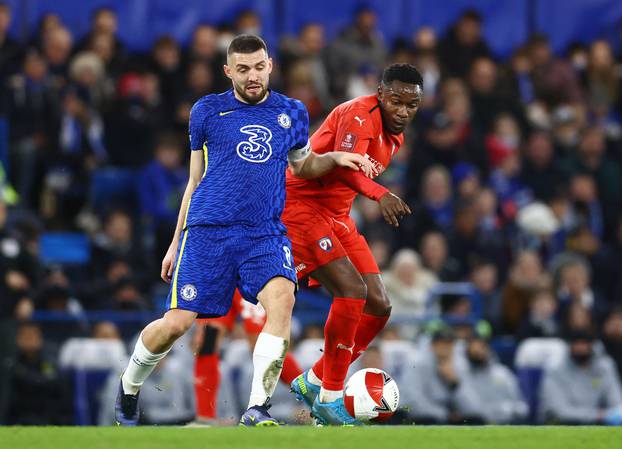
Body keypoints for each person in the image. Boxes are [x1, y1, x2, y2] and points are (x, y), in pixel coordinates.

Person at [114, 34, 373, 427]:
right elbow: (194, 180)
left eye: (258, 67)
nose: (252, 76)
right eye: (242, 69)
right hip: (208, 233)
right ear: (228, 71)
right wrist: (174, 242)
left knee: (282, 299)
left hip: (263, 234)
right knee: (177, 324)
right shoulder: (206, 111)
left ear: (270, 65)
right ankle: (129, 385)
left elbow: (302, 165)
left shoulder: (293, 112)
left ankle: (257, 408)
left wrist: (336, 157)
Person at [285, 63, 422, 425]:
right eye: (396, 101)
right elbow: (345, 167)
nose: (403, 111)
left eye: (412, 106)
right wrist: (381, 195)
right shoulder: (359, 116)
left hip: (337, 216)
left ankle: (313, 379)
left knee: (379, 305)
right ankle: (330, 397)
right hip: (301, 206)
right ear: (380, 94)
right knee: (351, 291)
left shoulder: (396, 136)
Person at [193, 289, 302, 422]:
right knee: (207, 340)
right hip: (217, 274)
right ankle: (205, 418)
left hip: (245, 273)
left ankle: (314, 397)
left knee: (263, 341)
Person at [540, 328, 622, 425]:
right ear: (569, 346)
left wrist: (611, 414)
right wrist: (599, 415)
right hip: (562, 425)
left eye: (584, 344)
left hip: (597, 423)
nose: (580, 348)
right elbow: (560, 411)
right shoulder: (555, 370)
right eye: (576, 344)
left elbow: (617, 403)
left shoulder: (605, 367)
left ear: (592, 346)